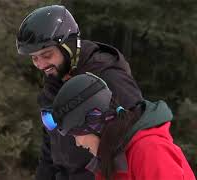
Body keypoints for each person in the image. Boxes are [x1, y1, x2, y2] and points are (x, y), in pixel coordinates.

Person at [16, 5, 143, 180]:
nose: (40, 64)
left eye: (46, 55)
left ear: (68, 46)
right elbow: (50, 149)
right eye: (34, 58)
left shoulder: (109, 77)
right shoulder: (53, 84)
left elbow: (138, 139)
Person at [48, 72, 195, 180]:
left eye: (76, 134)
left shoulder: (149, 150)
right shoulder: (110, 160)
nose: (78, 143)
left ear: (93, 122)